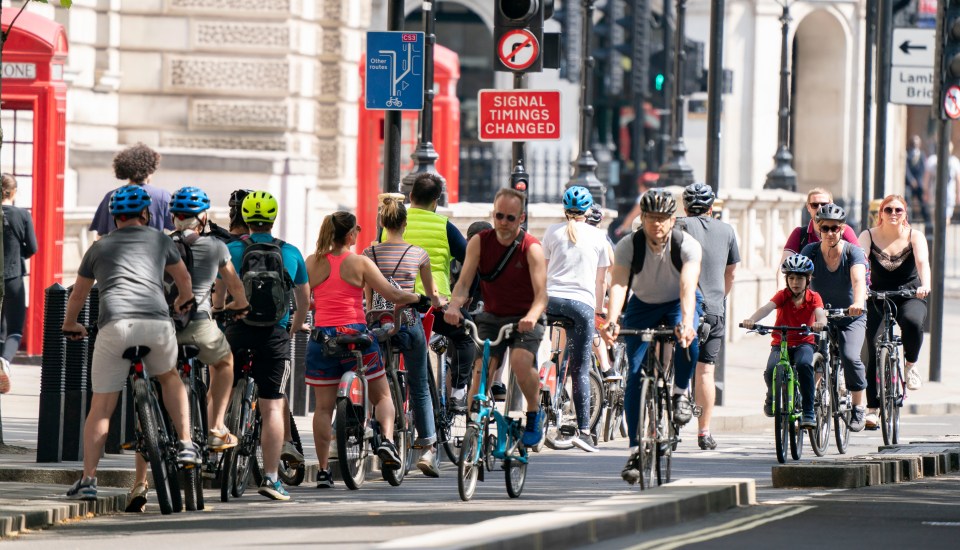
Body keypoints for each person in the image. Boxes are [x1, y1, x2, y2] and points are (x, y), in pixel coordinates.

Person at [61, 185, 198, 501]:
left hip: (115, 326)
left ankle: (89, 480)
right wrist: (184, 302)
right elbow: (183, 281)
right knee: (169, 378)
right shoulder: (161, 240)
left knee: (102, 406)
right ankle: (187, 444)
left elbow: (79, 294)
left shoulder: (98, 247)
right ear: (146, 214)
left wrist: (71, 324)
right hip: (156, 324)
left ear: (114, 217)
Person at [124, 186, 252, 512]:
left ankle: (140, 482)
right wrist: (238, 305)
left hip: (161, 327)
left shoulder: (156, 244)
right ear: (204, 217)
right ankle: (215, 427)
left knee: (151, 394)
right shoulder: (216, 245)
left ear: (172, 217)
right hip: (198, 325)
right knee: (224, 363)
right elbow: (235, 287)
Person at [305, 211, 426, 489]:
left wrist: (316, 308)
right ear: (350, 235)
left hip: (322, 338)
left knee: (323, 409)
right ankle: (385, 439)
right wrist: (418, 297)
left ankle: (324, 471)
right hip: (356, 337)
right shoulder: (359, 263)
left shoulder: (312, 262)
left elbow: (304, 298)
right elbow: (392, 294)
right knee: (383, 395)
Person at [602, 189, 702, 485]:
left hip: (675, 302)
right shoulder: (628, 245)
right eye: (650, 218)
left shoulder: (687, 245)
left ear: (673, 220)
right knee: (634, 373)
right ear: (642, 219)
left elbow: (687, 287)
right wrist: (611, 320)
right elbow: (619, 285)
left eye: (662, 219)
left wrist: (685, 322)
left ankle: (680, 394)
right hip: (642, 305)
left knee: (689, 342)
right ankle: (635, 448)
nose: (656, 224)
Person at [444, 187, 548, 448]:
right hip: (493, 316)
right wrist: (455, 306)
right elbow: (464, 282)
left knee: (521, 361)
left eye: (510, 218)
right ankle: (473, 426)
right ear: (493, 214)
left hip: (526, 316)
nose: (503, 222)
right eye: (499, 216)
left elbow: (542, 296)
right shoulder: (480, 242)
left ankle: (534, 413)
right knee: (481, 370)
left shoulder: (531, 248)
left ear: (521, 218)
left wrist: (532, 317)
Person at [223, 190, 310, 501]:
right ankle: (271, 479)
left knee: (218, 388)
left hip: (237, 330)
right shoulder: (291, 253)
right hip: (274, 333)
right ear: (273, 219)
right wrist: (294, 327)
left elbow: (218, 293)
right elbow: (304, 301)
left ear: (245, 218)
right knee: (273, 405)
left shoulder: (230, 249)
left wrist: (223, 310)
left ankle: (216, 438)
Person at [363, 197, 442, 477]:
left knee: (378, 380)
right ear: (404, 224)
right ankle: (428, 450)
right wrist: (440, 300)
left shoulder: (368, 253)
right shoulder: (418, 253)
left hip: (376, 324)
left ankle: (377, 430)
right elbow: (432, 295)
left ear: (382, 223)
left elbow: (368, 296)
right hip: (407, 322)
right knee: (419, 384)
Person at [542, 186, 610, 452]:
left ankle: (543, 380)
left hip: (550, 301)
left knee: (545, 347)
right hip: (581, 305)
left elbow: (543, 270)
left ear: (564, 209)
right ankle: (584, 431)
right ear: (589, 210)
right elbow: (601, 280)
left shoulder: (551, 232)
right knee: (579, 369)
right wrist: (599, 310)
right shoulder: (599, 236)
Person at [402, 173, 476, 412]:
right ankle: (457, 392)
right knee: (465, 336)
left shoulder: (393, 224)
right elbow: (471, 262)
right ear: (436, 201)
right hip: (435, 305)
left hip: (398, 304)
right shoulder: (445, 227)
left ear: (411, 196)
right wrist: (464, 297)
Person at [858, 195, 931, 429]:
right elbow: (859, 264)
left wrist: (925, 285)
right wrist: (860, 290)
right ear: (880, 213)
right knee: (872, 344)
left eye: (898, 210)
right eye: (888, 209)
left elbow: (922, 263)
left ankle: (910, 364)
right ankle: (872, 409)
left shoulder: (915, 236)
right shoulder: (867, 236)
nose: (893, 214)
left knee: (912, 322)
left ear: (905, 214)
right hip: (877, 296)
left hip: (910, 294)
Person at [679, 183, 740, 450]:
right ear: (712, 208)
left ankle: (668, 419)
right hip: (714, 309)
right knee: (706, 371)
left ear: (684, 207)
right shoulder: (726, 230)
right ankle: (704, 432)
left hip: (684, 308)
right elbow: (732, 274)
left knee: (670, 361)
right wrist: (719, 299)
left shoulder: (679, 225)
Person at [800, 204, 868, 432]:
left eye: (835, 228)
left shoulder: (852, 252)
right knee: (808, 357)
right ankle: (808, 404)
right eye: (825, 228)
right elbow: (799, 281)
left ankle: (858, 406)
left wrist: (858, 303)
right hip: (820, 315)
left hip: (850, 315)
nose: (830, 233)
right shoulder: (809, 251)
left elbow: (858, 281)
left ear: (842, 229)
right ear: (818, 228)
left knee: (850, 356)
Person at [741, 254, 826, 428]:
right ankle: (772, 396)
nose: (795, 282)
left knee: (804, 365)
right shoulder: (783, 295)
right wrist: (752, 320)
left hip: (804, 342)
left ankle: (808, 411)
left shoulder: (813, 297)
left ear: (808, 279)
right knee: (771, 369)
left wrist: (820, 324)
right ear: (786, 279)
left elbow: (820, 314)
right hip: (781, 341)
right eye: (791, 278)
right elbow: (767, 308)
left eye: (800, 278)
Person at [0, 174, 37, 389]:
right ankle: (4, 360)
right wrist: (18, 253)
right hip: (13, 277)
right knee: (14, 327)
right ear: (13, 192)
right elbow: (32, 247)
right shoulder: (22, 215)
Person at [90, 143, 174, 236]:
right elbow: (174, 230)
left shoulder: (111, 196)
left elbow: (101, 236)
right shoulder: (163, 196)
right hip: (153, 250)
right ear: (150, 170)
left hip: (118, 250)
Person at [780, 188, 859, 277]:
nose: (819, 208)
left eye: (824, 204)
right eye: (815, 205)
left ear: (831, 205)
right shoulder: (799, 234)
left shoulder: (845, 230)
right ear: (808, 207)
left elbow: (860, 261)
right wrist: (781, 290)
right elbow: (784, 266)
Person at [923, 140, 960, 221]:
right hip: (946, 193)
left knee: (936, 216)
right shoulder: (954, 162)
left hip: (938, 192)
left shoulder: (932, 160)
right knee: (946, 216)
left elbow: (926, 179)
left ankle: (939, 233)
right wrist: (958, 194)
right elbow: (958, 180)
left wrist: (925, 192)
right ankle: (943, 233)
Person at [905, 136, 930, 224]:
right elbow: (906, 169)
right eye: (913, 143)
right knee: (907, 201)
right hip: (909, 184)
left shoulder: (922, 155)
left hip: (919, 184)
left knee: (923, 203)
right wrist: (911, 180)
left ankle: (928, 224)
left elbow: (924, 169)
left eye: (916, 143)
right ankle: (908, 221)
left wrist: (920, 181)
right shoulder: (907, 154)